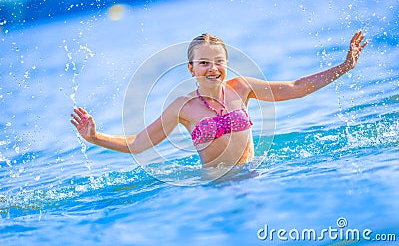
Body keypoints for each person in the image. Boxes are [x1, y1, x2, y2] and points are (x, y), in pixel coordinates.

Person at [71, 31, 367, 167]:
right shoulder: (182, 107)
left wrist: (344, 67)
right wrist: (95, 137)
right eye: (203, 63)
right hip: (216, 186)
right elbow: (138, 143)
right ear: (191, 69)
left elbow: (295, 87)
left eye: (218, 61)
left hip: (255, 172)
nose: (212, 69)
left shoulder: (242, 87)